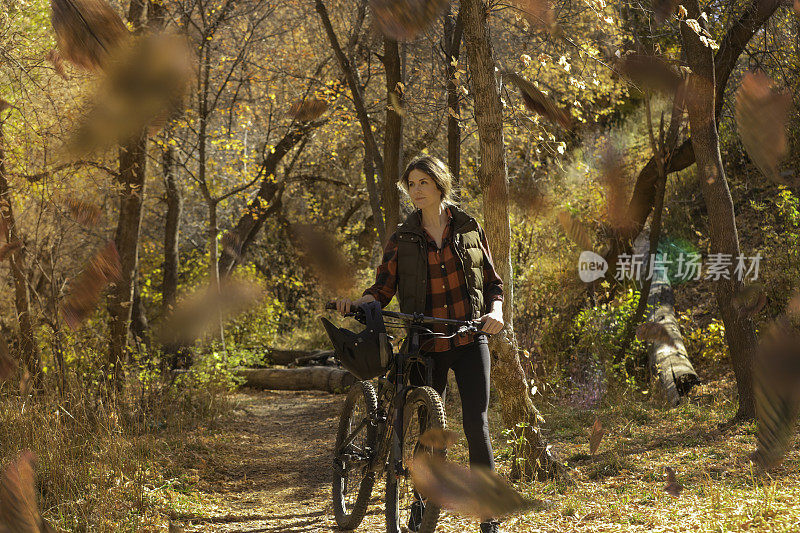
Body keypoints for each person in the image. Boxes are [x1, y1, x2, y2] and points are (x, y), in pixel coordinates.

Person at [335, 155, 505, 533]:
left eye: (422, 183)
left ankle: (488, 518)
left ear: (440, 184)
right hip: (425, 343)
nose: (415, 191)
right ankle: (419, 509)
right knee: (430, 430)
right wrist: (357, 303)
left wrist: (496, 311)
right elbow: (382, 289)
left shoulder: (468, 227)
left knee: (477, 426)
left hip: (469, 335)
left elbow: (493, 283)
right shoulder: (403, 238)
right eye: (410, 184)